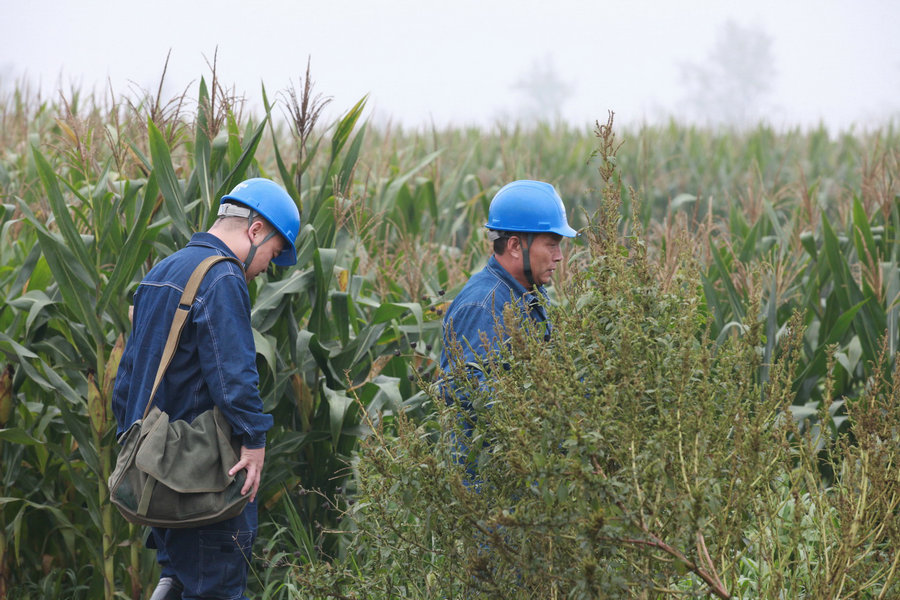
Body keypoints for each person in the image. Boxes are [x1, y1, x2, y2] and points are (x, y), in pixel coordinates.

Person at [111, 177, 301, 600]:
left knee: (176, 578)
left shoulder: (164, 270)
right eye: (270, 254)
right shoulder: (222, 277)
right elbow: (234, 376)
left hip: (159, 467)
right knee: (216, 587)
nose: (265, 268)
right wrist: (253, 441)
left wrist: (139, 444)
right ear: (255, 230)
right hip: (202, 476)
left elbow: (126, 380)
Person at [439, 180, 577, 472]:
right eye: (551, 245)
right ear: (515, 246)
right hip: (492, 488)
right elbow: (469, 395)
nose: (559, 256)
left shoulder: (529, 293)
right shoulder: (484, 305)